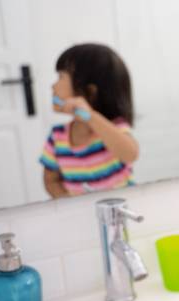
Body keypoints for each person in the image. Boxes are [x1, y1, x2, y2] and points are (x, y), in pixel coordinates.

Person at [39, 43, 139, 198]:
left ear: (90, 91)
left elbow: (130, 154)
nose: (53, 85)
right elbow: (51, 181)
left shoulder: (113, 129)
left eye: (61, 77)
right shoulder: (57, 137)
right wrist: (71, 205)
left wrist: (91, 117)